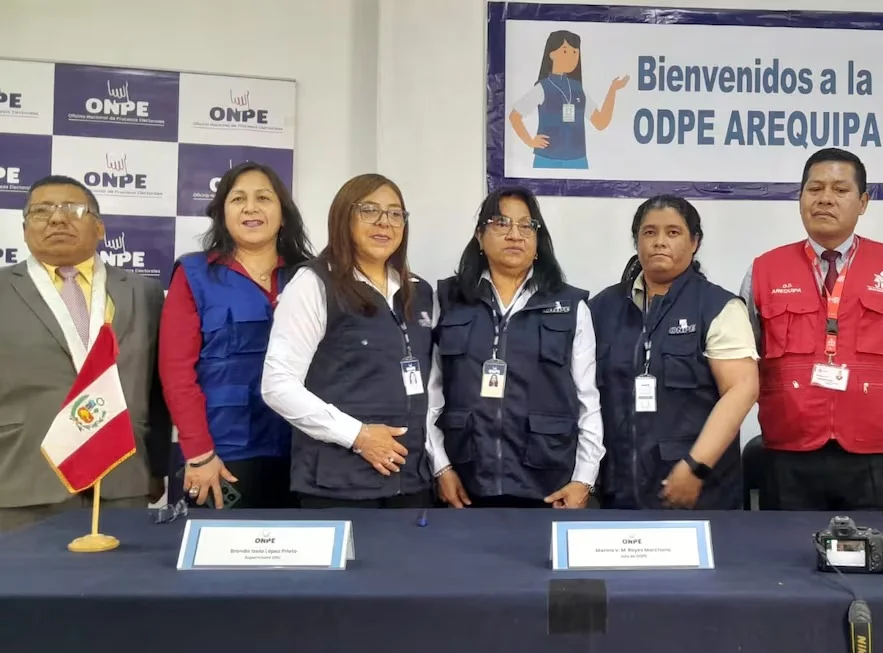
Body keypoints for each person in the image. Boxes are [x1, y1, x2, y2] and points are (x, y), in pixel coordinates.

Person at [739, 148, 883, 511]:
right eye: (815, 189)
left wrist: (879, 400)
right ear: (800, 198)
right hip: (788, 453)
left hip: (874, 455)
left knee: (876, 545)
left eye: (840, 190)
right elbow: (744, 359)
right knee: (783, 548)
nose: (825, 198)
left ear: (863, 202)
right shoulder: (765, 270)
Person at [0, 175, 169, 532]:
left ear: (100, 228)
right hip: (21, 479)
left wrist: (157, 467)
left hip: (121, 478)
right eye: (41, 211)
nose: (57, 218)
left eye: (73, 209)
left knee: (122, 569)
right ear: (25, 229)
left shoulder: (145, 293)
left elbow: (159, 388)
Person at [261, 174, 436, 509]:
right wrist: (358, 436)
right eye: (369, 210)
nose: (384, 222)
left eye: (395, 213)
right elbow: (277, 385)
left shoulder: (419, 291)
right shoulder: (314, 283)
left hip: (411, 482)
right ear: (344, 217)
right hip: (339, 484)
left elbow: (434, 386)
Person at [428, 185, 603, 508]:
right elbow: (431, 395)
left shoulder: (570, 305)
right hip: (465, 483)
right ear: (480, 237)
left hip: (549, 484)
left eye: (526, 225)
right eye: (501, 223)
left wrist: (584, 479)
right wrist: (440, 466)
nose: (515, 235)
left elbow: (587, 400)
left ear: (538, 241)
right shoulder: (449, 299)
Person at [159, 161, 314, 509]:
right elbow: (176, 373)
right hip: (222, 457)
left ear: (283, 214)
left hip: (304, 453)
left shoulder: (311, 276)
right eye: (238, 199)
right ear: (222, 214)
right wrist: (199, 453)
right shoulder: (194, 274)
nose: (251, 208)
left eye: (264, 198)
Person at [590, 195, 759, 509]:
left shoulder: (718, 307)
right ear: (637, 241)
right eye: (649, 232)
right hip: (619, 488)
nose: (659, 242)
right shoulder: (602, 308)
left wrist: (695, 466)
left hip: (697, 491)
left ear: (694, 242)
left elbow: (742, 389)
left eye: (673, 232)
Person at [507, 29, 629, 170]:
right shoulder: (542, 88)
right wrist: (530, 141)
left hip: (578, 161)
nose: (572, 57)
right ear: (552, 54)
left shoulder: (578, 89)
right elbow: (514, 116)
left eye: (575, 52)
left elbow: (601, 122)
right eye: (565, 51)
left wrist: (613, 90)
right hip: (546, 160)